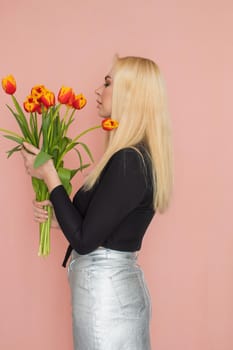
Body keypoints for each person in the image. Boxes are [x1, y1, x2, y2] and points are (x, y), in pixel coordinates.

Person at [21, 55, 174, 350]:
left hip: (106, 300)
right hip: (109, 295)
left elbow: (86, 241)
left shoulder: (129, 159)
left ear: (130, 94)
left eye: (108, 82)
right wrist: (57, 219)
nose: (98, 90)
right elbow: (98, 228)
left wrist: (50, 174)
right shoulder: (132, 157)